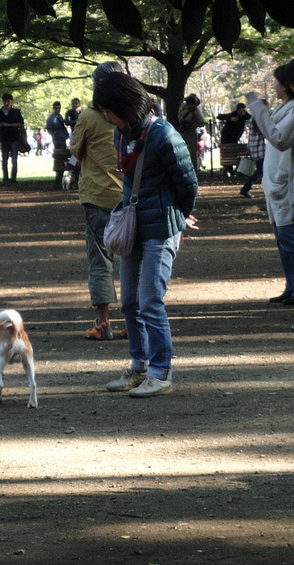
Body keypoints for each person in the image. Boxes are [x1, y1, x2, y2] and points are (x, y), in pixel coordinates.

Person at [94, 72, 198, 398]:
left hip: (161, 229)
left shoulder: (165, 135)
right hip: (134, 228)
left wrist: (179, 217)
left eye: (108, 110)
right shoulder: (121, 133)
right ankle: (138, 366)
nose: (106, 116)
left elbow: (188, 183)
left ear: (124, 105)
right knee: (129, 302)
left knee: (151, 301)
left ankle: (160, 371)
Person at [69, 62, 125, 341]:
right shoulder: (136, 113)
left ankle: (103, 323)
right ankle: (134, 322)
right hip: (130, 196)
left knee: (100, 259)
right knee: (133, 259)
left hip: (98, 196)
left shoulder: (89, 117)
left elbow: (75, 150)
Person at [246, 56, 294, 321]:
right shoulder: (292, 109)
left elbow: (279, 139)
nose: (279, 87)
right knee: (285, 239)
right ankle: (293, 285)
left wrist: (257, 109)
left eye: (281, 82)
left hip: (288, 185)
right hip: (282, 185)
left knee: (290, 239)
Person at [0, 93, 24, 183]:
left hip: (14, 138)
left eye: (8, 101)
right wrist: (1, 125)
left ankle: (13, 178)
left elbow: (21, 124)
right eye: (5, 101)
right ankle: (5, 177)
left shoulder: (16, 112)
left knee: (14, 159)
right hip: (4, 138)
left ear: (11, 101)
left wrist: (10, 125)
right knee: (4, 159)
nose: (7, 103)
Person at [240, 101, 268, 198]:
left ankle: (246, 188)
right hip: (260, 148)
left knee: (261, 170)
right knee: (261, 170)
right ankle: (246, 188)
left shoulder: (254, 118)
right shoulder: (258, 119)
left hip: (256, 148)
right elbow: (262, 132)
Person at [177, 94, 205, 171]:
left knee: (193, 153)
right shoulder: (182, 107)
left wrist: (192, 124)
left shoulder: (196, 111)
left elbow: (202, 122)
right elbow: (179, 116)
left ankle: (194, 170)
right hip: (183, 130)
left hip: (191, 131)